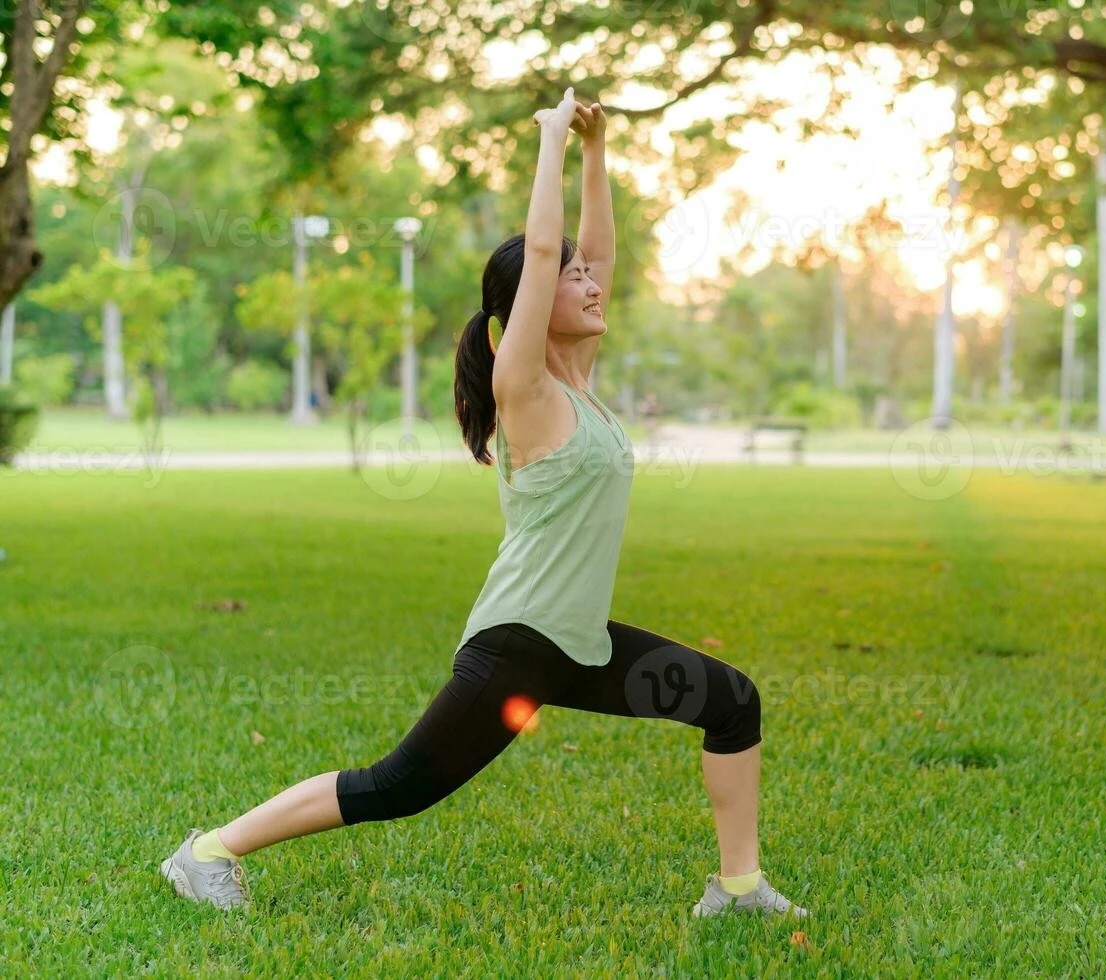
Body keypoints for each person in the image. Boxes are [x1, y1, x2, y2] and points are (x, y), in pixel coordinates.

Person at [159, 89, 806, 920]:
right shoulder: (526, 390)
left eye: (586, 274)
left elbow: (590, 252)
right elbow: (542, 253)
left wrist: (598, 151)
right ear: (524, 313)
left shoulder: (586, 392)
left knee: (731, 701)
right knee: (398, 786)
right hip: (517, 643)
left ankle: (738, 889)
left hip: (578, 644)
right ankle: (206, 852)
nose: (588, 281)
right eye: (570, 278)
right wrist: (548, 141)